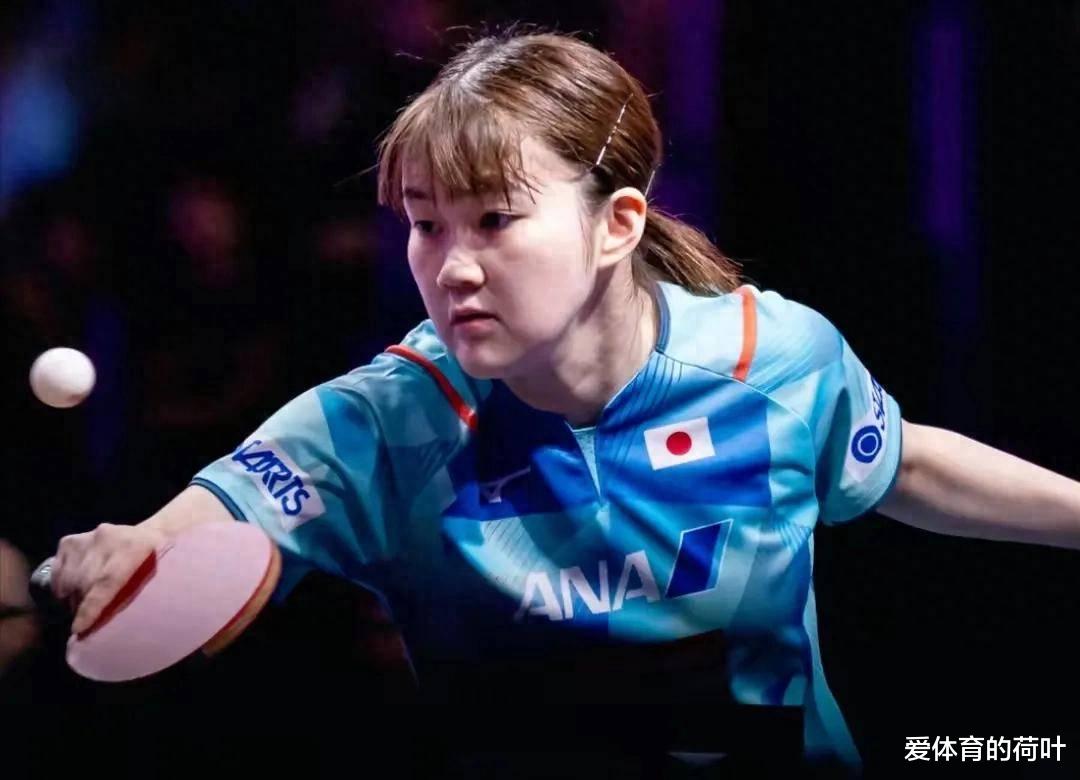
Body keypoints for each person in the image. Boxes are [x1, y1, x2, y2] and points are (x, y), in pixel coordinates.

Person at [41, 30, 1080, 777]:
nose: (451, 266)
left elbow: (902, 462)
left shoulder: (771, 360)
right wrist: (128, 549)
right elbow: (207, 517)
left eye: (495, 220)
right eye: (425, 224)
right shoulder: (385, 422)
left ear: (617, 224)